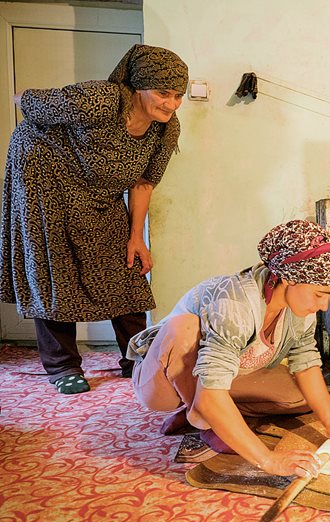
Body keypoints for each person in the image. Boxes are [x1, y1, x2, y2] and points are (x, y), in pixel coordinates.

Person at [0, 44, 189, 395]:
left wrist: (137, 236)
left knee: (126, 268)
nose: (172, 103)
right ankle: (63, 366)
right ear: (138, 87)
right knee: (55, 269)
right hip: (45, 176)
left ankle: (137, 358)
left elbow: (143, 181)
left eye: (179, 95)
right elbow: (25, 99)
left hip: (98, 190)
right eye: (163, 93)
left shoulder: (166, 129)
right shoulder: (101, 100)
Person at [127, 220, 330, 478]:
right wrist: (269, 460)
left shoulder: (300, 309)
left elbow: (306, 362)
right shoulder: (235, 304)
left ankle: (202, 409)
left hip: (218, 372)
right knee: (184, 328)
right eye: (319, 294)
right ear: (288, 278)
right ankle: (203, 415)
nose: (324, 305)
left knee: (299, 397)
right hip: (160, 380)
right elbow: (204, 371)